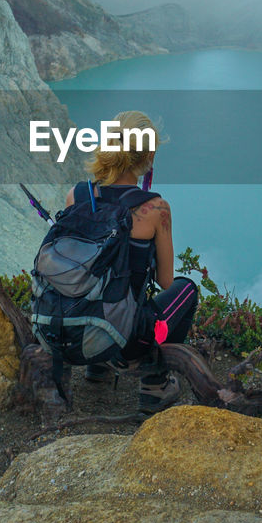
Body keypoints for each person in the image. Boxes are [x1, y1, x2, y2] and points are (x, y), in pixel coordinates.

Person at [63, 110, 198, 414]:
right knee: (186, 290)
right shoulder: (155, 209)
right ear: (148, 155)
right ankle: (155, 382)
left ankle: (97, 367)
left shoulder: (77, 195)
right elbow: (166, 281)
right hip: (128, 339)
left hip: (77, 328)